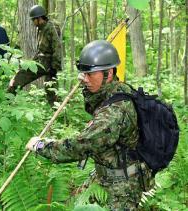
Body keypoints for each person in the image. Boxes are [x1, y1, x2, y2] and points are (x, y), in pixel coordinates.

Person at [26, 40, 154, 210]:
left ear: (108, 74)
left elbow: (82, 145)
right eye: (84, 74)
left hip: (123, 187)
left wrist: (41, 145)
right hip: (107, 173)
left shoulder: (114, 114)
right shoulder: (118, 89)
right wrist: (88, 85)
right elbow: (96, 105)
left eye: (90, 74)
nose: (85, 79)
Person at [8, 5, 62, 106]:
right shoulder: (42, 28)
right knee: (51, 91)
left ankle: (58, 115)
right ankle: (6, 106)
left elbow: (57, 47)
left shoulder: (51, 27)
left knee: (17, 80)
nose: (33, 22)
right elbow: (41, 49)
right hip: (43, 61)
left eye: (33, 20)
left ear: (39, 18)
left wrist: (55, 67)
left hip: (47, 64)